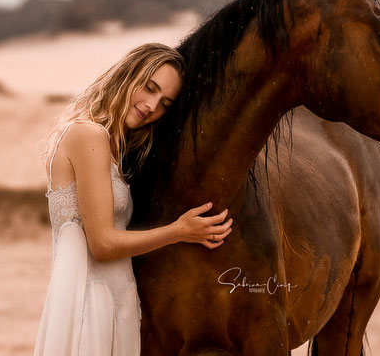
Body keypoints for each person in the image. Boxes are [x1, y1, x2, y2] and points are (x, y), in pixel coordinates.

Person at [34, 43, 233, 355]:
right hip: (88, 301)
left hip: (114, 299)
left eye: (165, 103)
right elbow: (101, 245)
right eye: (149, 88)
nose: (152, 106)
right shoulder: (89, 135)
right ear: (127, 75)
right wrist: (179, 231)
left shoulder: (115, 149)